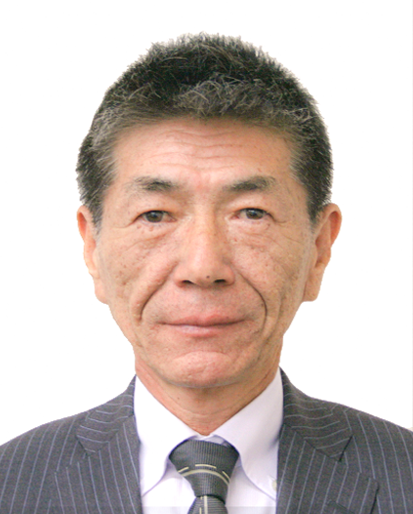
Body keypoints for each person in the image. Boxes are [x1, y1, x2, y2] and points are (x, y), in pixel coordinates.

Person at [0, 33, 411, 514]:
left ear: (319, 247)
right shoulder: (12, 484)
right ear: (92, 246)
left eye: (251, 213)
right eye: (155, 215)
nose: (202, 267)